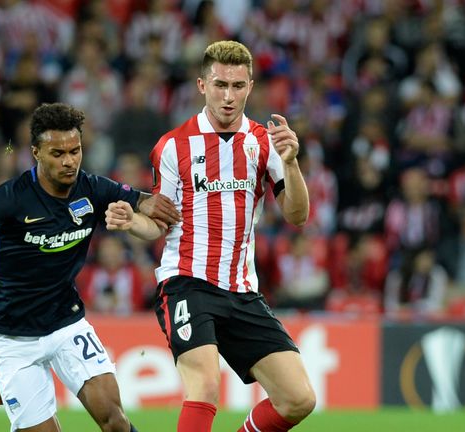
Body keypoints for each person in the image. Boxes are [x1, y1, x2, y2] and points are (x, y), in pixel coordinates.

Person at [107, 40, 316, 432]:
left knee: (298, 398)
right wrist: (131, 222)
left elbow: (298, 215)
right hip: (187, 281)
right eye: (220, 84)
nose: (228, 96)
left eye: (238, 86)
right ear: (202, 85)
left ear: (250, 87)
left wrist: (291, 164)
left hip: (241, 290)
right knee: (204, 386)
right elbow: (159, 222)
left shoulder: (264, 143)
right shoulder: (172, 146)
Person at [0, 103, 180, 432]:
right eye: (57, 153)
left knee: (116, 422)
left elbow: (146, 202)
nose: (69, 161)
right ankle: (10, 382)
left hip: (66, 322)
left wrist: (156, 208)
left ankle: (10, 387)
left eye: (75, 151)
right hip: (11, 332)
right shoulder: (10, 198)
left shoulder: (93, 188)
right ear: (36, 152)